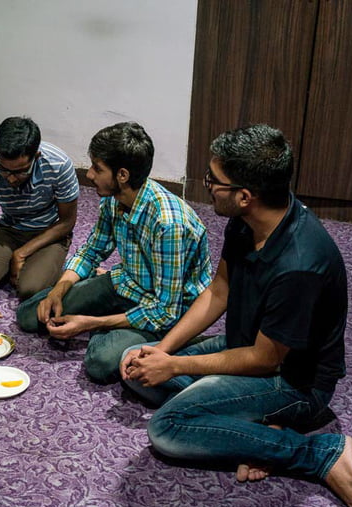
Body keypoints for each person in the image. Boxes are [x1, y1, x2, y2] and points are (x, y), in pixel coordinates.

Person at [120, 124, 352, 507]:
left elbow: (263, 360)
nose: (207, 187)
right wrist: (164, 351)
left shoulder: (301, 264)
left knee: (166, 429)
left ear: (244, 196)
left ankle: (319, 453)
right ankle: (250, 431)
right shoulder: (247, 221)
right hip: (242, 347)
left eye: (213, 181)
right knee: (136, 364)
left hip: (292, 382)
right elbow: (218, 292)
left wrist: (176, 367)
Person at [17, 122, 212, 384]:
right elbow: (91, 250)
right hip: (126, 282)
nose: (89, 175)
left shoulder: (169, 225)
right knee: (29, 315)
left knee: (99, 363)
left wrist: (91, 323)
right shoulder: (112, 198)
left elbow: (166, 310)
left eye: (98, 168)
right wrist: (58, 290)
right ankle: (106, 321)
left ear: (122, 175)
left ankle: (116, 329)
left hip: (165, 308)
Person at [0, 116, 79, 327]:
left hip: (50, 232)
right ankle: (11, 267)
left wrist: (21, 253)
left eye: (20, 171)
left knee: (30, 289)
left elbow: (67, 222)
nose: (11, 178)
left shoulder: (59, 164)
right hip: (11, 230)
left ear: (37, 156)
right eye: (4, 170)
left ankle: (33, 264)